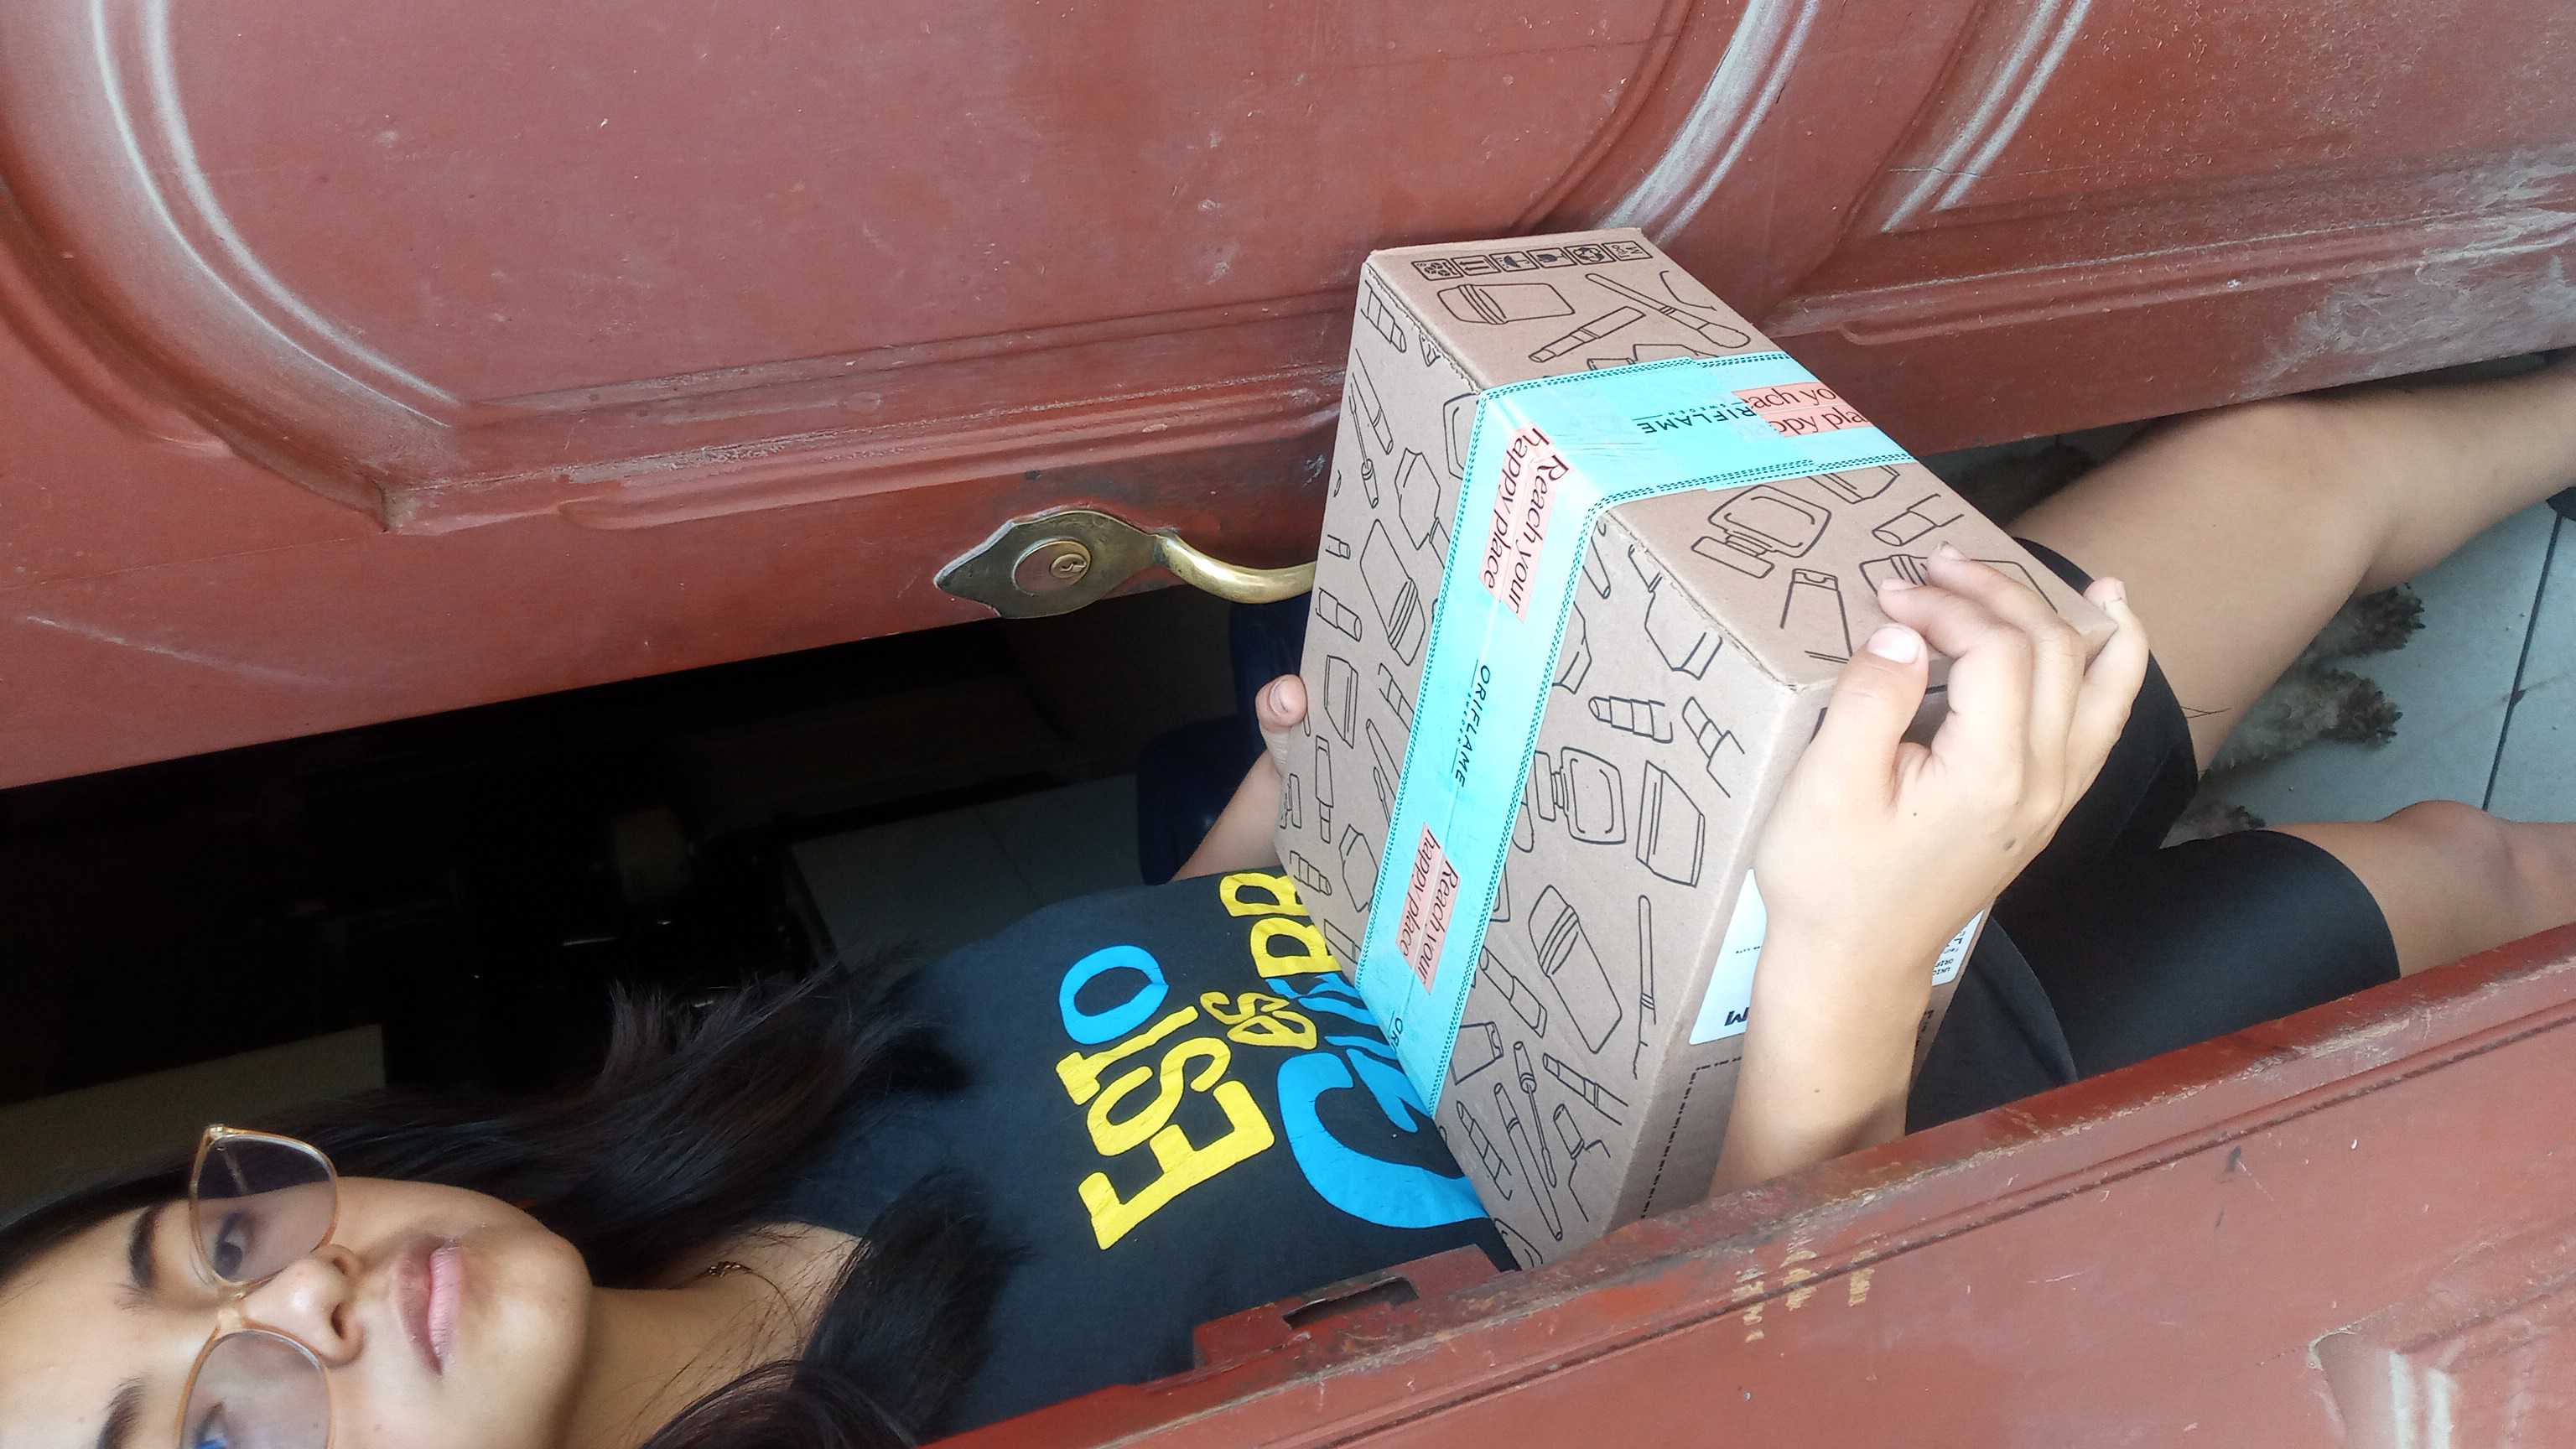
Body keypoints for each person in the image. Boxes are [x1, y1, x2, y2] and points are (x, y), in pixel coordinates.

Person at [8, 362, 2576, 1449]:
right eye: (217, 1433)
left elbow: (1192, 1022)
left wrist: (1294, 824)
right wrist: (1849, 959)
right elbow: (1719, 1407)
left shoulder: (722, 1129)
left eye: (213, 1255)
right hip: (1897, 1124)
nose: (300, 1309)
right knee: (2458, 884)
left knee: (2274, 475)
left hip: (1688, 881)